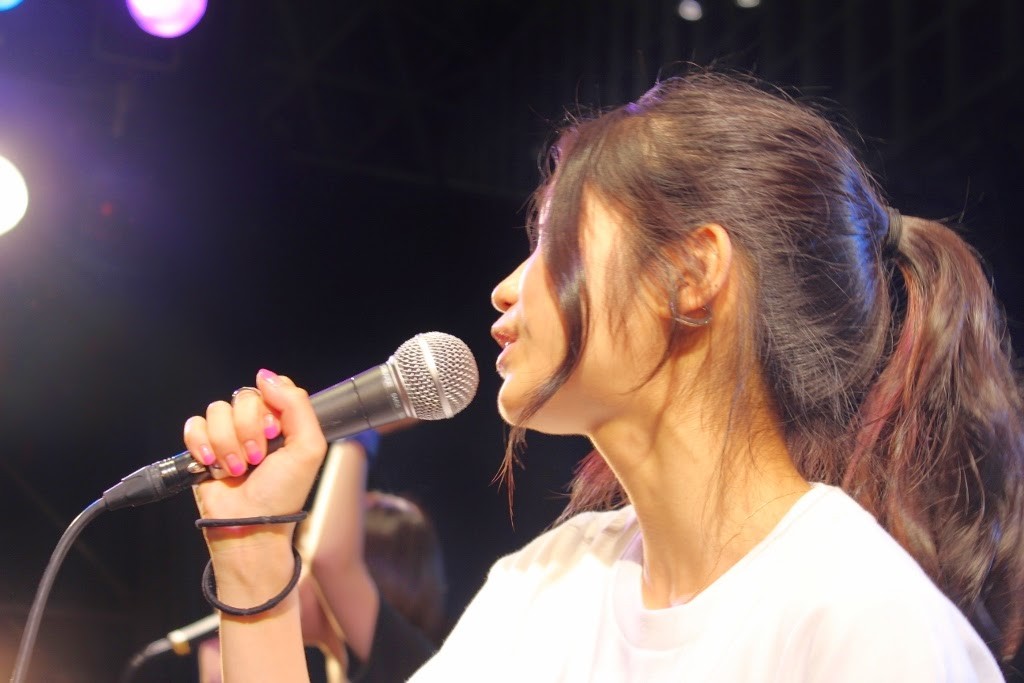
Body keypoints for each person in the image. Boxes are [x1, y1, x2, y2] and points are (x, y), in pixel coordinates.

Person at [182, 69, 1024, 681]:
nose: (506, 288)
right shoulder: (544, 586)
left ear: (691, 273)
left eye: (552, 240)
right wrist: (252, 557)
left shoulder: (863, 621)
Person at [195, 436, 444, 683]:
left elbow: (330, 558)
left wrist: (361, 430)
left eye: (304, 553)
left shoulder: (411, 661)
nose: (293, 570)